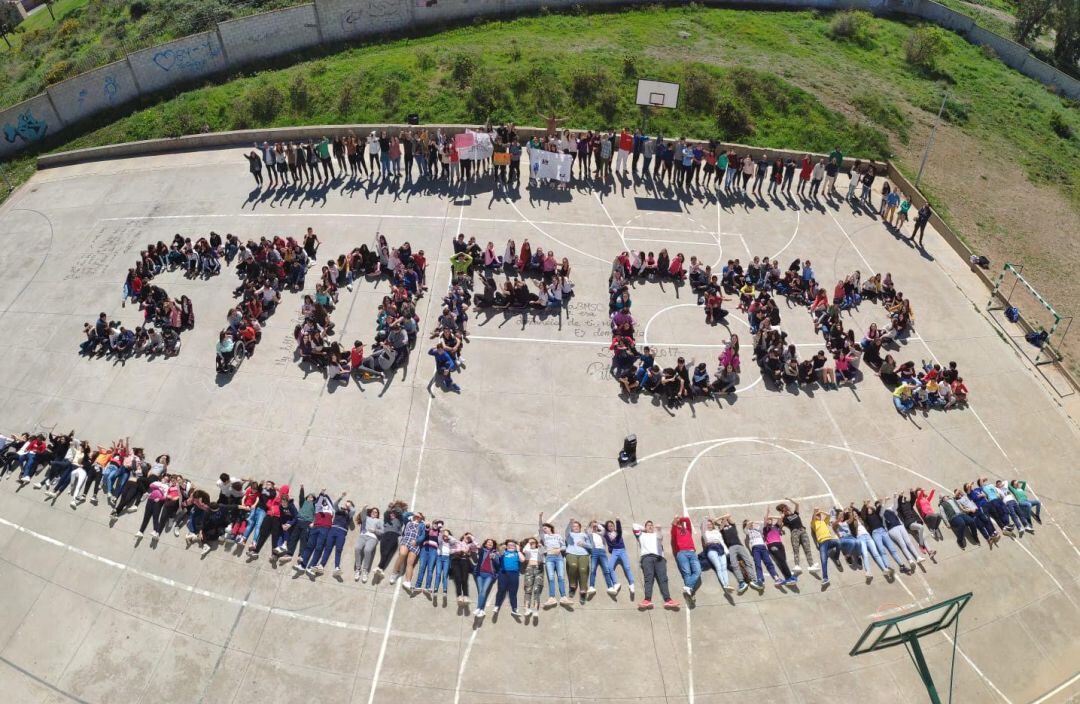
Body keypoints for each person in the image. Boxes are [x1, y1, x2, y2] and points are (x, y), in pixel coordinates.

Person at [632, 521, 679, 610]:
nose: (650, 526)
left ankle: (668, 600)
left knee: (663, 579)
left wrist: (658, 529)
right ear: (645, 527)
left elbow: (660, 537)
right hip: (647, 558)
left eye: (651, 525)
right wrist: (644, 529)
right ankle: (647, 600)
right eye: (648, 525)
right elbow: (634, 526)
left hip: (659, 558)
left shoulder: (656, 534)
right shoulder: (641, 535)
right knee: (648, 579)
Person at [670, 516, 701, 598]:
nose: (680, 524)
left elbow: (687, 520)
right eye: (678, 523)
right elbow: (673, 526)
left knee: (698, 571)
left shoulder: (688, 530)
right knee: (687, 573)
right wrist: (675, 521)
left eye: (681, 523)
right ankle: (690, 593)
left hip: (692, 552)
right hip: (682, 553)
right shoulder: (675, 531)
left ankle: (688, 587)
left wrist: (679, 519)